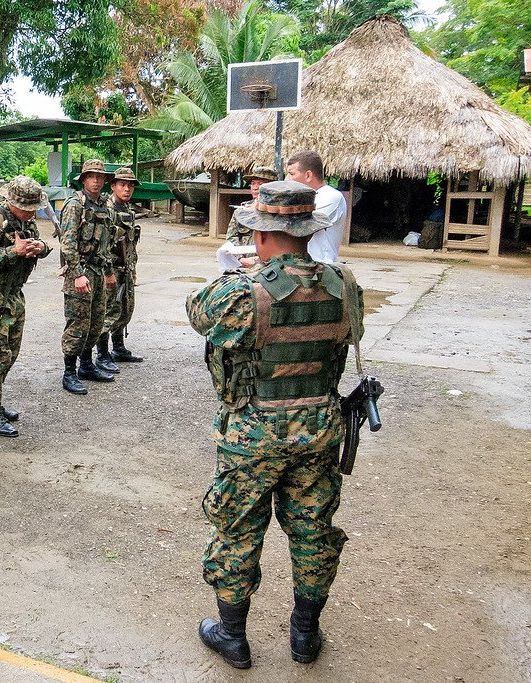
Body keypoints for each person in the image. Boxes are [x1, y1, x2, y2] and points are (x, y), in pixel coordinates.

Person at [186, 180, 364, 669]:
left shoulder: (241, 293)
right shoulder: (345, 284)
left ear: (261, 236)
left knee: (238, 529)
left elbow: (197, 311)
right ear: (309, 231)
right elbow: (348, 335)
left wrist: (247, 276)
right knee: (313, 530)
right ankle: (305, 635)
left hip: (253, 435)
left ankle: (233, 636)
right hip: (319, 431)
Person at [0, 176, 51, 437]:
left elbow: (42, 244)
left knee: (10, 355)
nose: (31, 213)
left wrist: (40, 247)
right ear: (13, 203)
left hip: (14, 296)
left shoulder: (26, 222)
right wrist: (13, 252)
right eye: (27, 208)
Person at [59, 159, 117, 395]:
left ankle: (86, 365)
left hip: (98, 271)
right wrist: (77, 274)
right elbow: (67, 243)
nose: (96, 180)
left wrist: (109, 271)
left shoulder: (104, 205)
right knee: (78, 323)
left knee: (95, 322)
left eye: (100, 177)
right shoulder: (75, 205)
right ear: (83, 179)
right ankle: (69, 372)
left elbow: (107, 243)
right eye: (91, 176)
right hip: (80, 272)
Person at [97, 166, 143, 369]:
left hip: (126, 269)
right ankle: (102, 354)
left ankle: (118, 347)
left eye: (130, 186)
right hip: (111, 268)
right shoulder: (106, 210)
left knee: (125, 309)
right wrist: (108, 272)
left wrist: (133, 269)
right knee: (108, 311)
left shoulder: (128, 210)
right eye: (122, 185)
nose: (127, 189)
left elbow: (131, 244)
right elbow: (103, 245)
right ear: (113, 186)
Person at [286, 150, 348, 263]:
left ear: (308, 175)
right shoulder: (299, 198)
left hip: (319, 266)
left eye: (292, 174)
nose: (287, 179)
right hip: (298, 264)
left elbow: (301, 225)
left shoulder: (331, 196)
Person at [217, 166, 279, 271]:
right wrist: (240, 259)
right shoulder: (242, 211)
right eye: (253, 184)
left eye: (260, 184)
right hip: (243, 265)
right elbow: (232, 237)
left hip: (271, 266)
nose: (255, 188)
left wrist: (259, 260)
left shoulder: (281, 211)